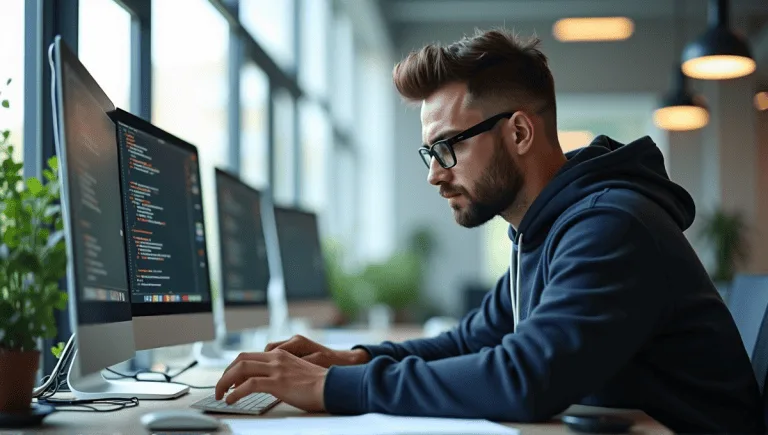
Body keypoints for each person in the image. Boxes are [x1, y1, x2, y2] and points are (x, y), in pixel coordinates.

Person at [214, 28, 764, 434]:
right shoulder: (543, 231)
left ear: (520, 131)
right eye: (430, 152)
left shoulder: (610, 226)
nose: (434, 172)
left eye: (448, 147)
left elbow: (526, 379)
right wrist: (355, 359)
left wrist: (330, 389)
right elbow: (476, 338)